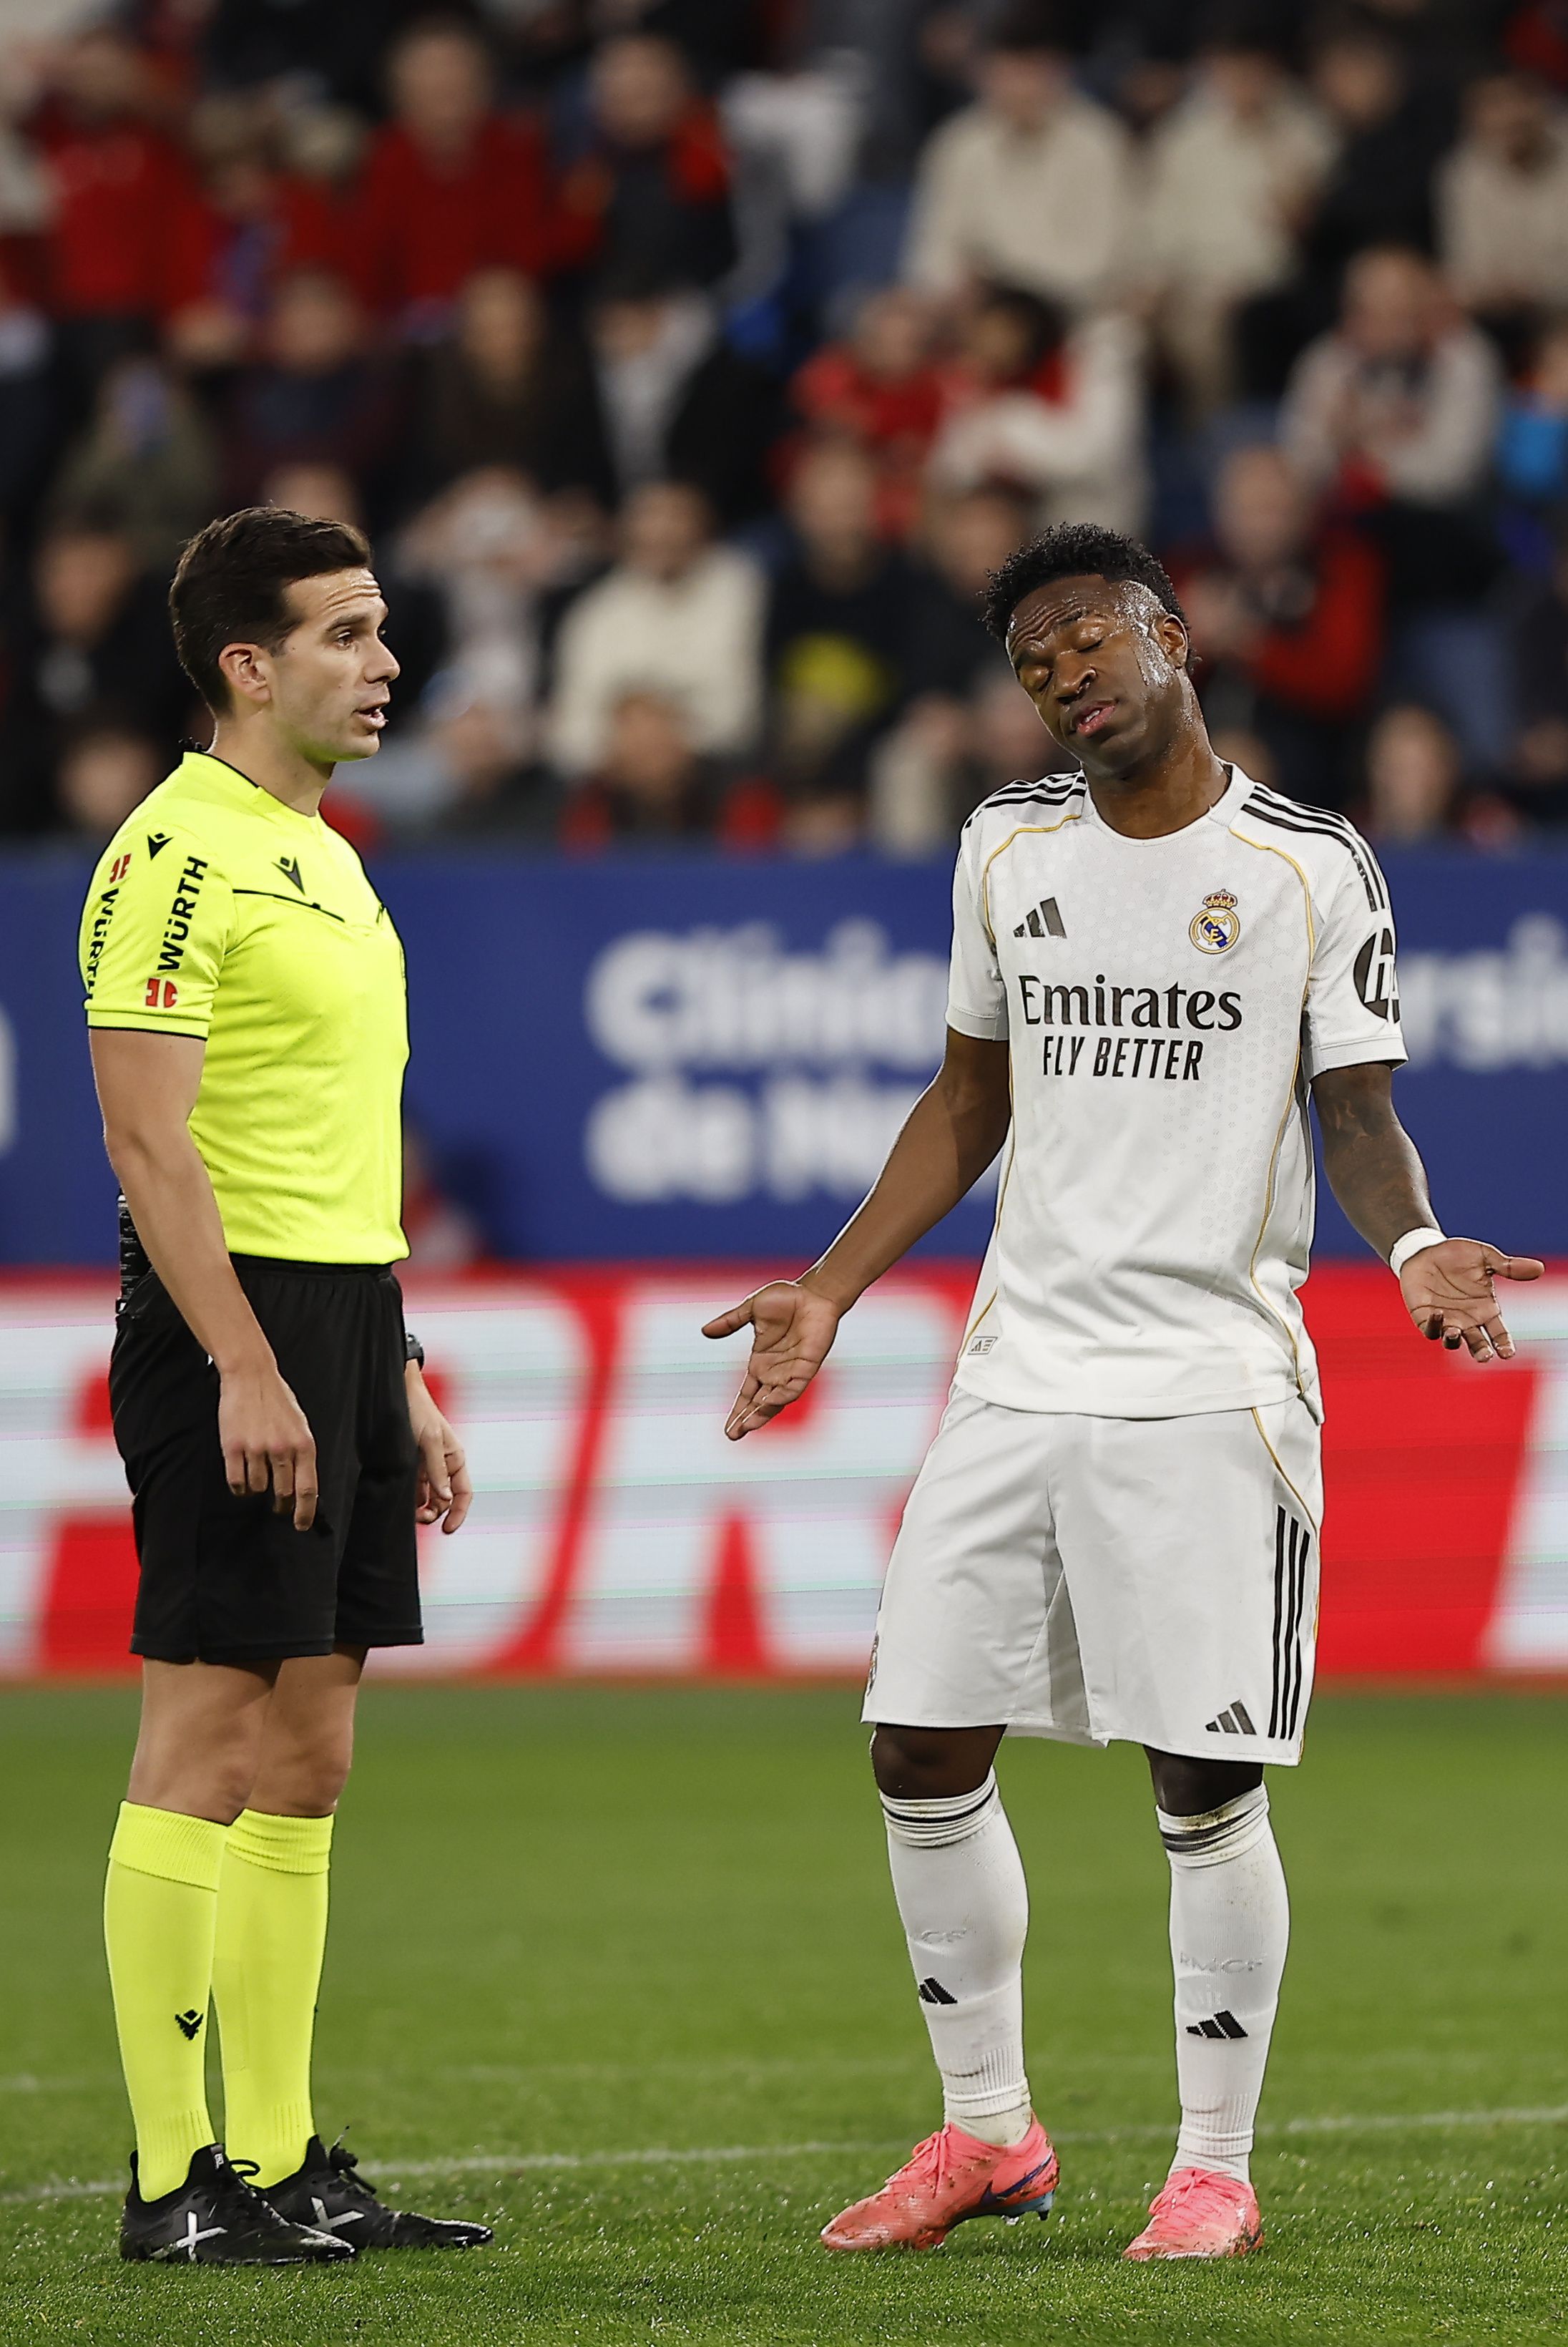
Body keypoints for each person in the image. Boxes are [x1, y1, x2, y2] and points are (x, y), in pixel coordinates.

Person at [703, 520, 1541, 2262]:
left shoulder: (1311, 863)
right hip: (1017, 1368)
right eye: (1030, 659)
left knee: (1198, 1777)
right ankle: (988, 2134)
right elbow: (963, 1102)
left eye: (1087, 638)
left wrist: (1414, 1252)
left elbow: (1359, 1115)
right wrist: (831, 1287)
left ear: (1174, 637)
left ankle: (1211, 2161)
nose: (1063, 674)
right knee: (916, 1737)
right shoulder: (1005, 847)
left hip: (1208, 1373)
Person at [77, 504, 490, 2263]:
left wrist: (388, 1364)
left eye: (382, 628)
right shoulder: (176, 853)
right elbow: (151, 1146)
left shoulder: (323, 849)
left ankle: (281, 2155)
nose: (384, 661)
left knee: (308, 1751)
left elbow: (322, 1151)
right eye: (345, 632)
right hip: (221, 1330)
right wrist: (248, 1361)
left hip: (338, 1319)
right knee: (201, 1738)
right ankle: (175, 2182)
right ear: (247, 665)